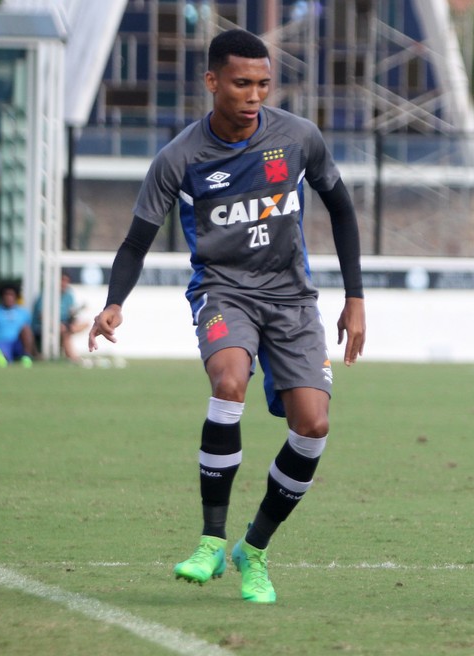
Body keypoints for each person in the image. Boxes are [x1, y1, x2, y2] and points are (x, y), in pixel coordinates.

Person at [88, 29, 366, 604]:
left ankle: (254, 548)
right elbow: (136, 241)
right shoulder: (179, 158)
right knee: (229, 381)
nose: (254, 94)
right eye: (242, 83)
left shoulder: (298, 138)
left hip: (292, 299)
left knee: (313, 426)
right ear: (212, 81)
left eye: (264, 83)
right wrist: (115, 302)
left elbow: (341, 209)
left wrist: (355, 297)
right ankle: (211, 541)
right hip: (223, 292)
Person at [33, 272, 86, 363]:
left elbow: (71, 313)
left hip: (64, 324)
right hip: (44, 325)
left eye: (66, 281)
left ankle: (70, 355)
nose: (64, 283)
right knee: (65, 330)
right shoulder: (47, 293)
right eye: (62, 280)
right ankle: (73, 357)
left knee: (83, 324)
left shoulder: (69, 294)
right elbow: (41, 315)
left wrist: (73, 319)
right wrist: (56, 325)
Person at [0, 282, 35, 368]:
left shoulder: (23, 313)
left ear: (16, 296)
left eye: (11, 295)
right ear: (2, 296)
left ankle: (26, 357)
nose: (8, 297)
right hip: (1, 343)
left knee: (26, 329)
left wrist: (35, 352)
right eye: (6, 294)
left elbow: (29, 335)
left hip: (17, 344)